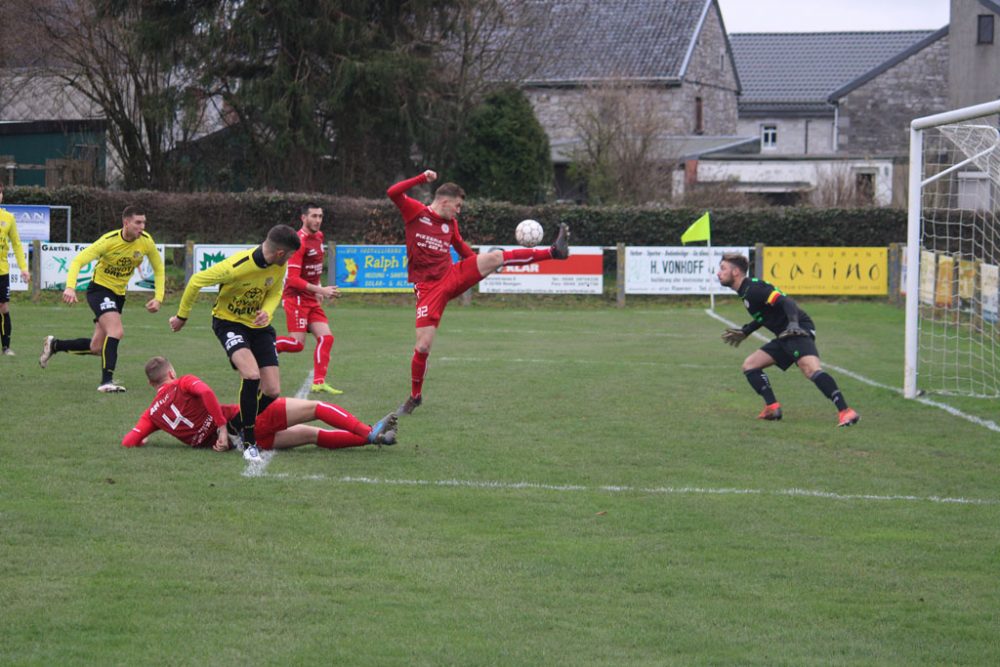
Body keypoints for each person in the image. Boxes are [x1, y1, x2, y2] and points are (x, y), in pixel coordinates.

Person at [387, 169, 570, 415]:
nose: (459, 210)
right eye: (458, 206)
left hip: (451, 276)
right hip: (428, 289)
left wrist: (479, 266)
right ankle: (415, 397)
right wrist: (422, 178)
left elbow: (462, 248)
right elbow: (393, 192)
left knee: (495, 257)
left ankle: (553, 252)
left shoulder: (450, 224)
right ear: (444, 201)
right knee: (422, 347)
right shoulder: (416, 212)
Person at [169, 224, 301, 463]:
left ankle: (233, 425)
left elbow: (274, 292)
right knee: (251, 376)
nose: (291, 259)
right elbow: (196, 281)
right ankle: (249, 442)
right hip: (229, 324)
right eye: (290, 254)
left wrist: (268, 313)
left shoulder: (279, 266)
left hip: (259, 328)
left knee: (272, 391)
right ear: (281, 252)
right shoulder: (236, 266)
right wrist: (182, 316)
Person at [122, 356, 398, 452]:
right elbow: (205, 391)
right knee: (316, 408)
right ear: (171, 373)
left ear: (151, 384)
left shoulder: (152, 415)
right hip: (247, 420)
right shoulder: (183, 382)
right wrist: (219, 426)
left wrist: (143, 441)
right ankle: (369, 432)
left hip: (243, 443)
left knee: (313, 436)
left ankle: (374, 440)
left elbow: (128, 441)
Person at [716, 252, 860, 427]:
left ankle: (846, 411)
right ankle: (772, 407)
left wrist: (793, 324)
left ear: (736, 272)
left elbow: (787, 302)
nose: (718, 273)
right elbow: (765, 314)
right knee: (750, 365)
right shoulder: (746, 291)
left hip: (798, 329)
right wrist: (746, 331)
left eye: (723, 269)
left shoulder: (753, 289)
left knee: (810, 369)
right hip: (784, 334)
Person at [39, 205, 164, 392]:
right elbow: (78, 261)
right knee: (116, 331)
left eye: (144, 222)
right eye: (138, 222)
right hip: (99, 290)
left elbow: (159, 269)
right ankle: (106, 382)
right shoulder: (109, 241)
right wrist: (71, 287)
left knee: (97, 347)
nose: (142, 226)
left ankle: (55, 345)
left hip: (118, 295)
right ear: (126, 222)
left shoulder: (146, 242)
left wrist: (159, 297)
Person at [275, 203, 343, 395]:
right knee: (297, 344)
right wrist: (321, 289)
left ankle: (319, 382)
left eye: (320, 216)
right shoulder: (298, 242)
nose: (318, 220)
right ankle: (266, 346)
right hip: (295, 298)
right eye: (313, 216)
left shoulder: (319, 237)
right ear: (303, 218)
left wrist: (318, 289)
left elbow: (313, 269)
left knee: (326, 338)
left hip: (311, 298)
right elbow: (293, 279)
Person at [0, 182, 31, 356]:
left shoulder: (8, 218)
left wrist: (23, 268)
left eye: (0, 192)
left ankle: (6, 347)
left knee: (3, 307)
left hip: (2, 271)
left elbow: (17, 245)